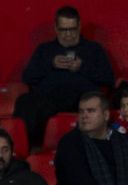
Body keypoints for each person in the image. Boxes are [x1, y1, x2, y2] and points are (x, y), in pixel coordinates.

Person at [14, 5, 116, 143]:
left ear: (79, 26)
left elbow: (109, 79)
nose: (68, 34)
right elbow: (28, 77)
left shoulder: (93, 49)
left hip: (81, 98)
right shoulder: (45, 50)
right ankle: (29, 150)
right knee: (25, 101)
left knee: (95, 102)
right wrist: (50, 64)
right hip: (49, 100)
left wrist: (82, 67)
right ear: (56, 28)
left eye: (72, 29)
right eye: (63, 30)